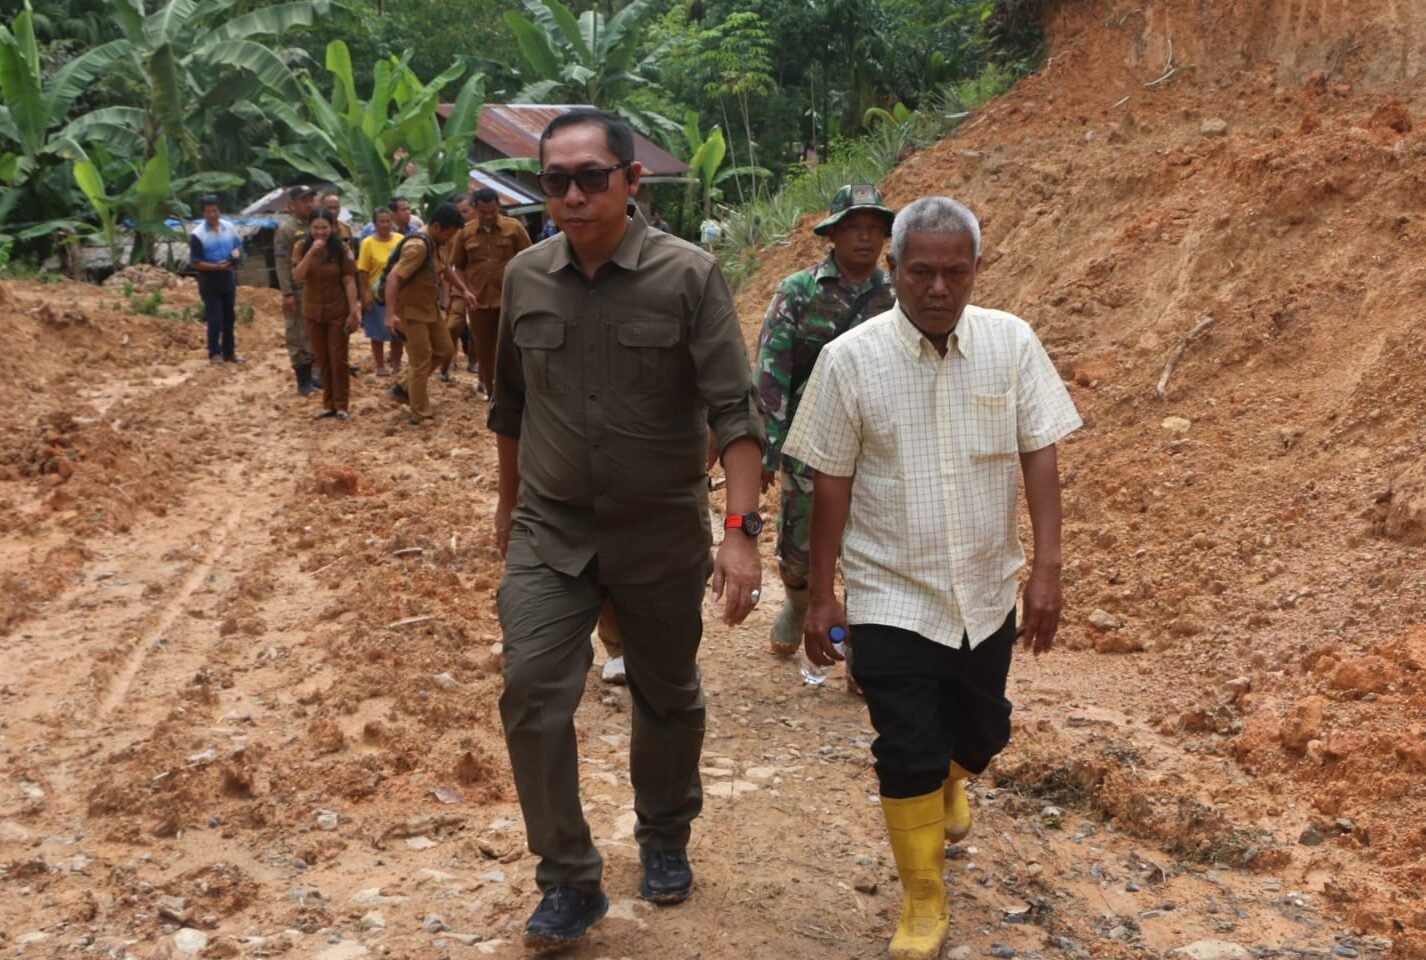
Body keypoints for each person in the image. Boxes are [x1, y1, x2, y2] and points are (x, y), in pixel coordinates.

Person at [488, 108, 764, 949]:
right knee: (533, 690)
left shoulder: (689, 275)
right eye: (554, 181)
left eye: (589, 178)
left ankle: (664, 833)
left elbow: (735, 409)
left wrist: (741, 529)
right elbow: (511, 406)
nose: (571, 196)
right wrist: (506, 509)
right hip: (552, 527)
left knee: (667, 692)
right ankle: (568, 878)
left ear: (631, 180)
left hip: (658, 532)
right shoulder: (525, 277)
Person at [784, 197, 1082, 960]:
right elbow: (831, 481)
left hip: (986, 589)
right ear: (893, 271)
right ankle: (923, 903)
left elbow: (1040, 455)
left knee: (983, 733)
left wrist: (1047, 568)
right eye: (921, 272)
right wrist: (823, 595)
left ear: (977, 270)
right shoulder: (850, 359)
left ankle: (951, 778)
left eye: (956, 272)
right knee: (907, 745)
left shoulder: (1011, 344)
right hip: (891, 592)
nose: (939, 289)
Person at [755, 184, 896, 662]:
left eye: (875, 229)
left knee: (870, 551)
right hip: (809, 441)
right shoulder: (799, 290)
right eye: (855, 228)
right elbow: (772, 366)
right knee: (800, 549)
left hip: (878, 444)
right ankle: (800, 603)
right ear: (833, 234)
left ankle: (862, 651)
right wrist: (768, 446)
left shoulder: (898, 296)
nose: (865, 238)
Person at [384, 202, 464, 424]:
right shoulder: (417, 247)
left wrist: (464, 291)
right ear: (436, 226)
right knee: (421, 360)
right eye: (448, 234)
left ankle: (403, 388)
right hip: (410, 311)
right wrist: (390, 314)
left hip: (429, 308)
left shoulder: (436, 243)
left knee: (445, 350)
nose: (449, 239)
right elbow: (393, 278)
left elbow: (445, 268)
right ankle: (421, 412)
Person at [452, 186, 531, 397]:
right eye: (483, 212)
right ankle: (491, 391)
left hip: (510, 300)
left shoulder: (513, 228)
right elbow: (457, 266)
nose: (488, 216)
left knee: (513, 348)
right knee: (485, 350)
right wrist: (464, 291)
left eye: (493, 211)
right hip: (478, 301)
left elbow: (529, 260)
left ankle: (516, 392)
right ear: (475, 209)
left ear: (498, 207)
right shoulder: (465, 233)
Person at [292, 209, 360, 420]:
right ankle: (328, 403)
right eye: (316, 228)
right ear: (309, 228)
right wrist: (311, 252)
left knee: (338, 357)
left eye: (324, 227)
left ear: (332, 227)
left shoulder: (342, 248)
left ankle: (341, 404)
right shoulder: (301, 247)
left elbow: (349, 281)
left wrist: (353, 311)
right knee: (321, 359)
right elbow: (297, 276)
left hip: (337, 311)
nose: (320, 232)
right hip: (312, 311)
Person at [273, 185, 319, 395]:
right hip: (297, 290)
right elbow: (282, 264)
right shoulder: (287, 230)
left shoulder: (317, 225)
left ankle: (315, 375)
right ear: (292, 205)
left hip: (317, 289)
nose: (309, 204)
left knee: (313, 333)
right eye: (304, 200)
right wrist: (287, 293)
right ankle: (303, 379)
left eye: (311, 199)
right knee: (297, 334)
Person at [188, 194, 243, 365]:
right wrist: (215, 267)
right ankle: (214, 352)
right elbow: (195, 262)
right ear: (203, 213)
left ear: (219, 210)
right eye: (208, 211)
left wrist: (235, 257)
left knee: (229, 317)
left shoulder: (229, 227)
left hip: (228, 277)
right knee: (215, 319)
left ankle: (229, 352)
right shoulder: (197, 234)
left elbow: (238, 247)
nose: (212, 214)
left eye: (215, 210)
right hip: (209, 280)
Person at [356, 208, 402, 377]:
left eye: (388, 221)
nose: (385, 224)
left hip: (398, 294)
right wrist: (364, 294)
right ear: (375, 224)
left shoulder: (400, 240)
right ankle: (380, 365)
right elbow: (363, 271)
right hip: (376, 294)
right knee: (377, 332)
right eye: (381, 221)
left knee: (398, 332)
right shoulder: (367, 243)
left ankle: (397, 364)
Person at [439, 193, 478, 382]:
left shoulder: (482, 231)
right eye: (459, 212)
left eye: (466, 211)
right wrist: (445, 295)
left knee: (478, 330)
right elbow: (447, 267)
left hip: (482, 289)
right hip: (458, 288)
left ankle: (474, 361)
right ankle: (447, 362)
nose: (463, 215)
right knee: (453, 326)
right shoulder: (452, 235)